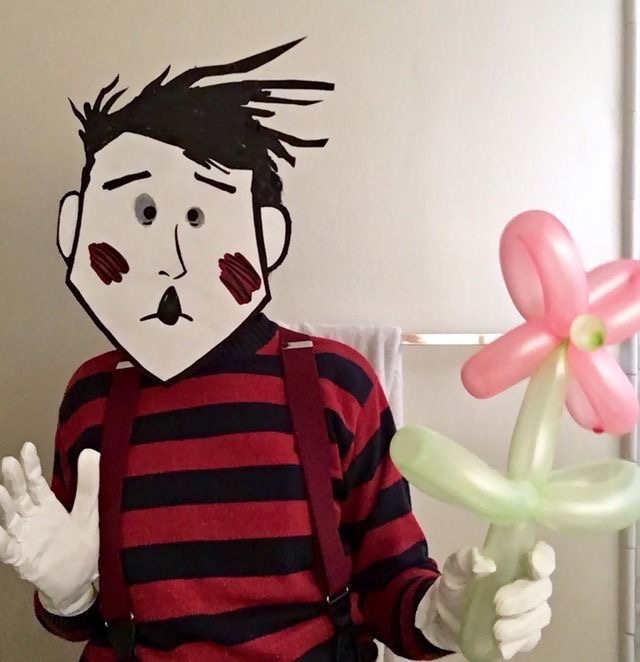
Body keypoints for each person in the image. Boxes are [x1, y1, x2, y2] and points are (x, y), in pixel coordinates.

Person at [0, 40, 553, 661]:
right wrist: (69, 592)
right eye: (145, 212)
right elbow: (78, 604)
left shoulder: (338, 385)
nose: (172, 259)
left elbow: (392, 586)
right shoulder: (93, 398)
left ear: (267, 234)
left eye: (199, 217)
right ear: (75, 228)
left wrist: (449, 614)